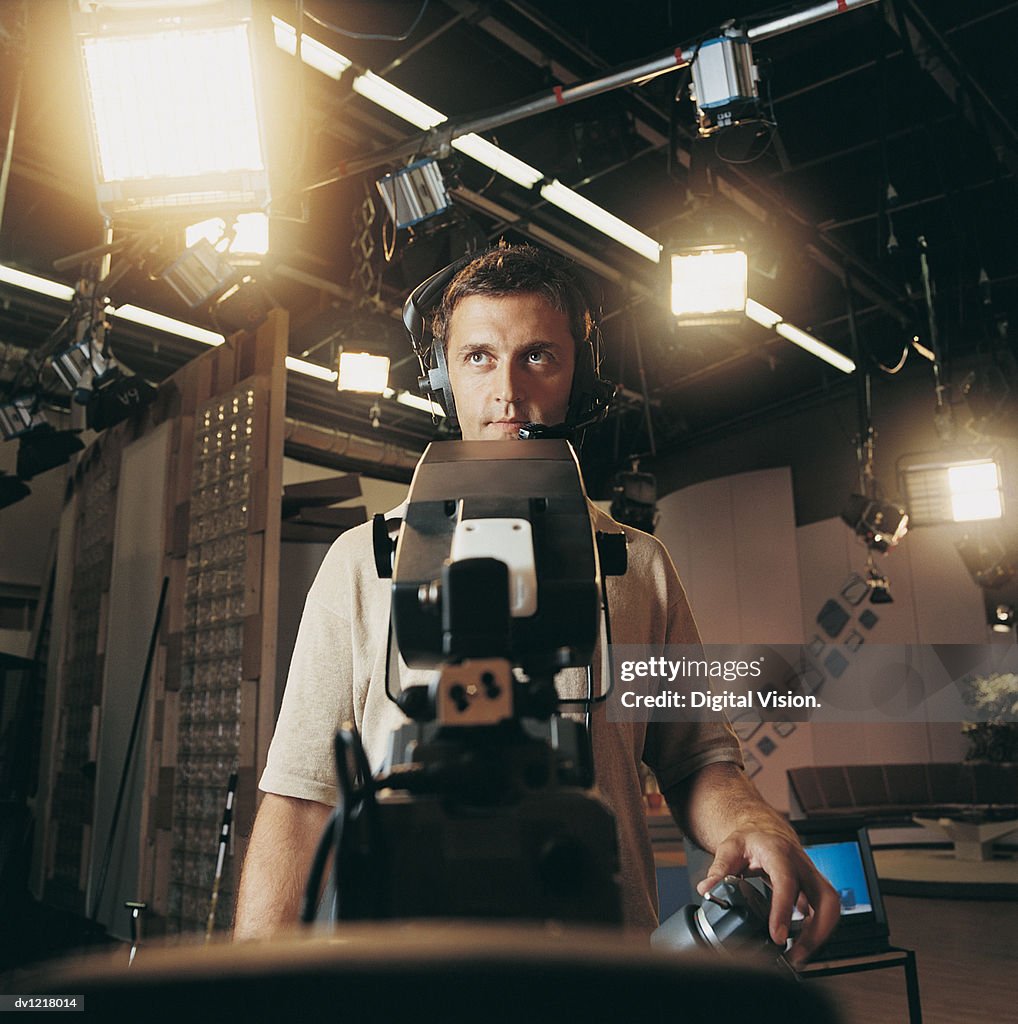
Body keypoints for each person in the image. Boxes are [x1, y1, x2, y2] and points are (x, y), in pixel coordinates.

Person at [234, 245, 840, 961]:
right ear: (442, 377)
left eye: (538, 357)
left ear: (577, 379)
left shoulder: (640, 565)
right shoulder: (362, 562)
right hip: (401, 968)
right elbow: (303, 797)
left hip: (597, 963)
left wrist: (754, 821)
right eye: (480, 357)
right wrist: (253, 983)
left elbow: (696, 759)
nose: (508, 392)